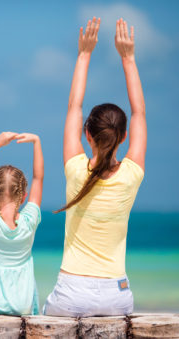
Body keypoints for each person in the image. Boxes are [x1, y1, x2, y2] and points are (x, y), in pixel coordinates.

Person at [43, 17, 146, 317]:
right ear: (124, 137)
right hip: (118, 294)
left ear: (86, 134)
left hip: (71, 293)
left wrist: (84, 54)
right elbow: (138, 112)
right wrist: (128, 58)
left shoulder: (76, 169)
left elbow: (73, 107)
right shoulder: (131, 176)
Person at [0, 132, 44, 315]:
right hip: (22, 305)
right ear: (24, 197)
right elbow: (38, 178)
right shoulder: (29, 222)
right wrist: (36, 142)